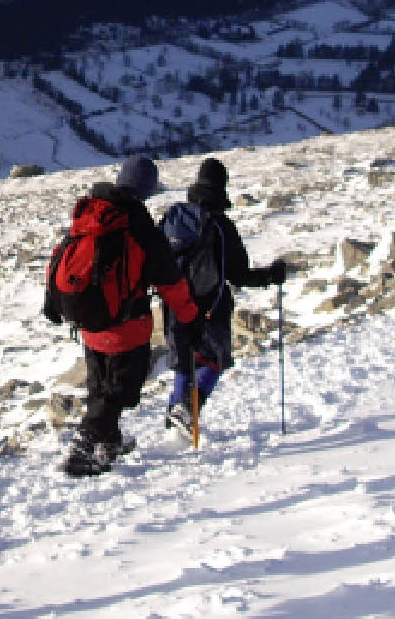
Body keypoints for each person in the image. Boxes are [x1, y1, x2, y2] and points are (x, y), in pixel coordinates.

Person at [43, 157, 199, 478]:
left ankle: (110, 442)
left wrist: (52, 303)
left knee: (100, 386)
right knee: (117, 392)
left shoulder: (91, 215)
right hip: (126, 326)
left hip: (90, 322)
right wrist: (190, 316)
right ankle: (81, 450)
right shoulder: (140, 229)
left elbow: (62, 256)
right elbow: (169, 280)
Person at [162, 158, 291, 431]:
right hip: (211, 306)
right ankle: (188, 409)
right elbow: (239, 275)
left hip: (174, 304)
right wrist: (272, 275)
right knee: (214, 359)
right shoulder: (222, 227)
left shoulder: (175, 219)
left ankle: (175, 422)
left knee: (183, 362)